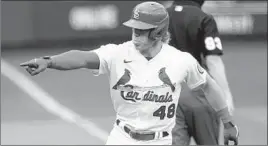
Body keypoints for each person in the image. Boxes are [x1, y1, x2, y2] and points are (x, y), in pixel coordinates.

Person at [20, 1, 238, 145]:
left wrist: (227, 123)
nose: (136, 35)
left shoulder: (181, 61)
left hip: (160, 141)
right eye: (135, 29)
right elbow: (83, 57)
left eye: (142, 31)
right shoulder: (117, 54)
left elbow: (209, 86)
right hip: (121, 138)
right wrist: (48, 61)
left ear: (159, 32)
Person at [166, 0, 235, 145]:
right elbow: (213, 61)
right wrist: (226, 95)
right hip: (200, 94)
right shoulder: (204, 18)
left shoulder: (161, 17)